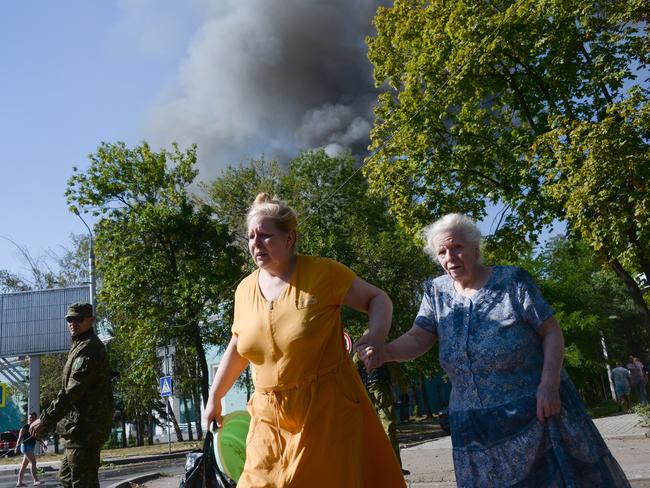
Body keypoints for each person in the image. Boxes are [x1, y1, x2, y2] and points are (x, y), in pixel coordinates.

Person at [357, 213, 630, 487]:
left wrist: (549, 385)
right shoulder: (435, 291)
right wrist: (384, 352)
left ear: (475, 249)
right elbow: (419, 337)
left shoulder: (512, 281)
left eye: (457, 248)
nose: (450, 257)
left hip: (534, 413)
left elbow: (551, 332)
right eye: (442, 252)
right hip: (473, 426)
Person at [203, 193, 405, 487]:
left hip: (325, 411)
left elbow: (378, 299)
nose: (256, 244)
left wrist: (374, 335)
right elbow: (238, 346)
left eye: (265, 236)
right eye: (250, 237)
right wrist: (214, 396)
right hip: (266, 416)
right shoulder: (244, 290)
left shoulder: (323, 273)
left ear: (289, 238)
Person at [30, 302, 114, 488]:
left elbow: (72, 391)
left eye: (78, 319)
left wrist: (45, 418)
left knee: (81, 483)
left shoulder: (89, 348)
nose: (73, 323)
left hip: (85, 430)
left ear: (91, 321)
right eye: (69, 319)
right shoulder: (79, 346)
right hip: (77, 431)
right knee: (67, 479)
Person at [353, 350, 408, 475]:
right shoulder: (382, 348)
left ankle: (375, 468)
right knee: (388, 427)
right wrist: (403, 392)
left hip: (366, 393)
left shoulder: (359, 354)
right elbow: (396, 372)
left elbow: (352, 373)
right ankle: (393, 467)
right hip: (380, 390)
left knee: (370, 430)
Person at [15, 412, 46, 487]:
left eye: (32, 417)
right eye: (30, 417)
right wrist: (17, 447)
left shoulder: (34, 427)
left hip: (30, 447)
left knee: (24, 465)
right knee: (33, 462)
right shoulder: (25, 427)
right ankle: (35, 480)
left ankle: (19, 482)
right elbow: (19, 438)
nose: (31, 419)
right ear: (28, 418)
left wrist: (43, 443)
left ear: (35, 418)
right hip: (25, 446)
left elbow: (36, 437)